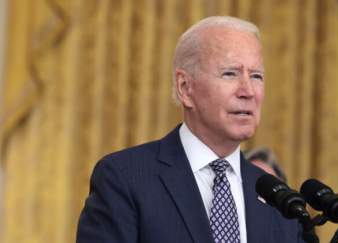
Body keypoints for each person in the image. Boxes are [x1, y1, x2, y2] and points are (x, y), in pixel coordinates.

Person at [76, 16, 304, 243]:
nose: (248, 91)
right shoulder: (125, 178)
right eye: (230, 74)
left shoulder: (278, 200)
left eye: (256, 76)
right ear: (185, 87)